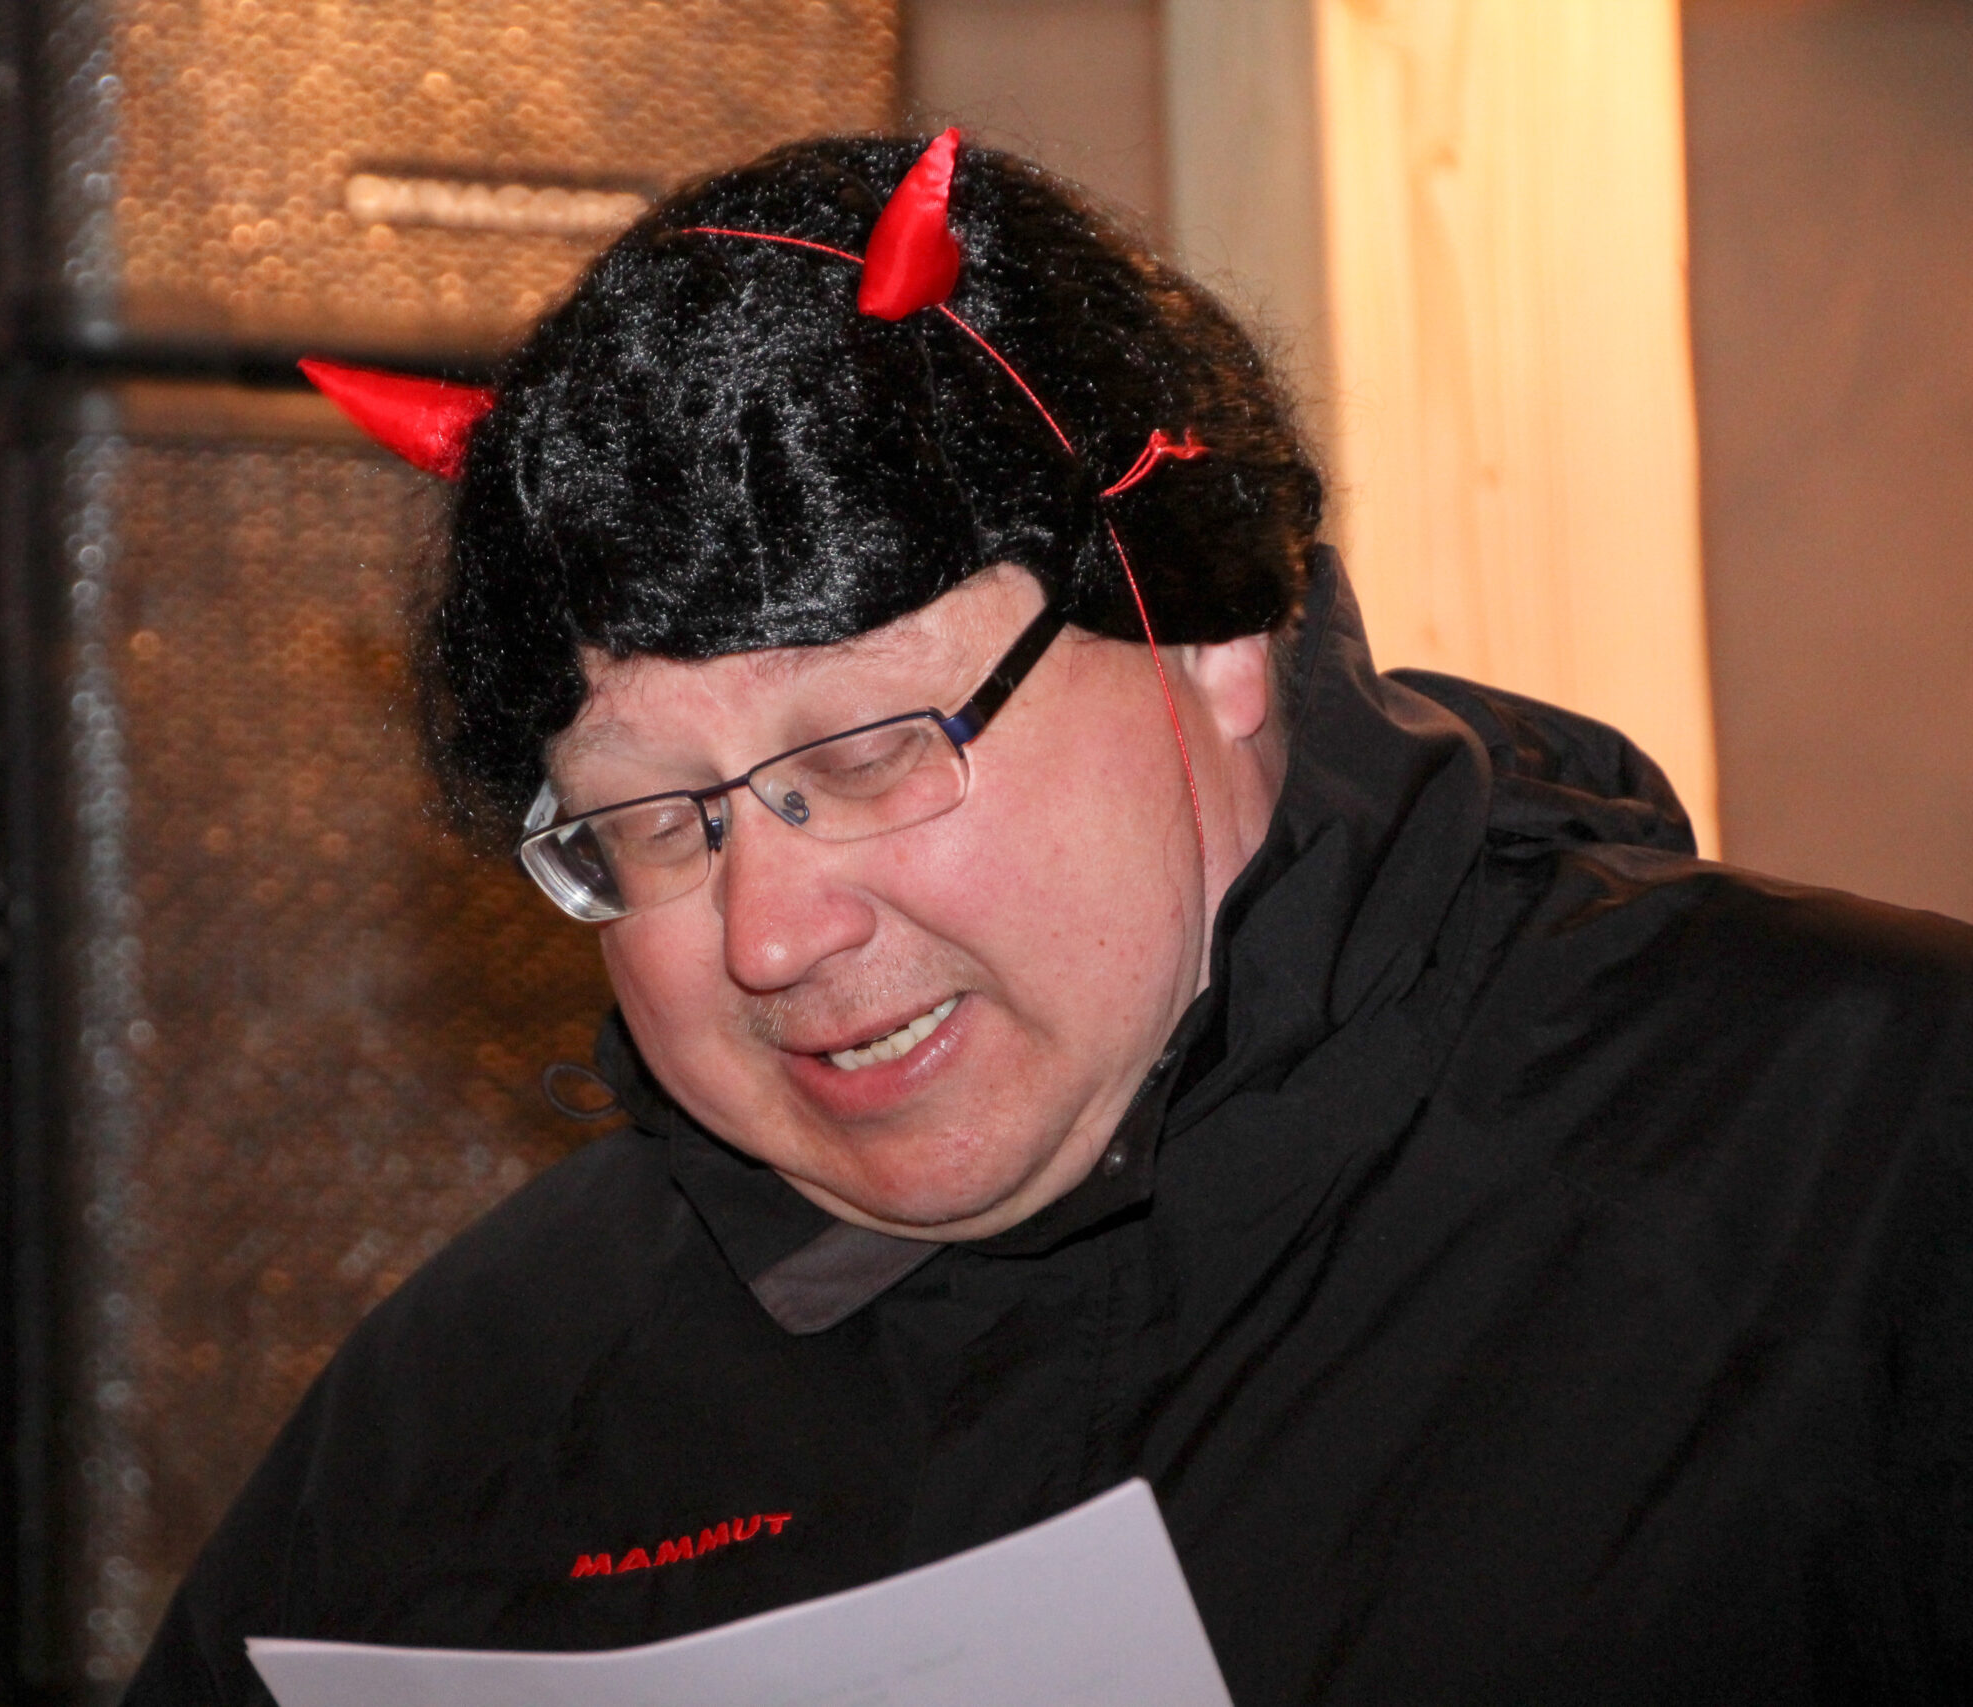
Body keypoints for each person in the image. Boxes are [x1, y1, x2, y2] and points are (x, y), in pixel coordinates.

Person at [123, 134, 1973, 1705]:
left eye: (863, 754)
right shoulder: (469, 1416)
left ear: (1209, 629)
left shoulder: (1867, 1161)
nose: (770, 935)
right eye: (655, 827)